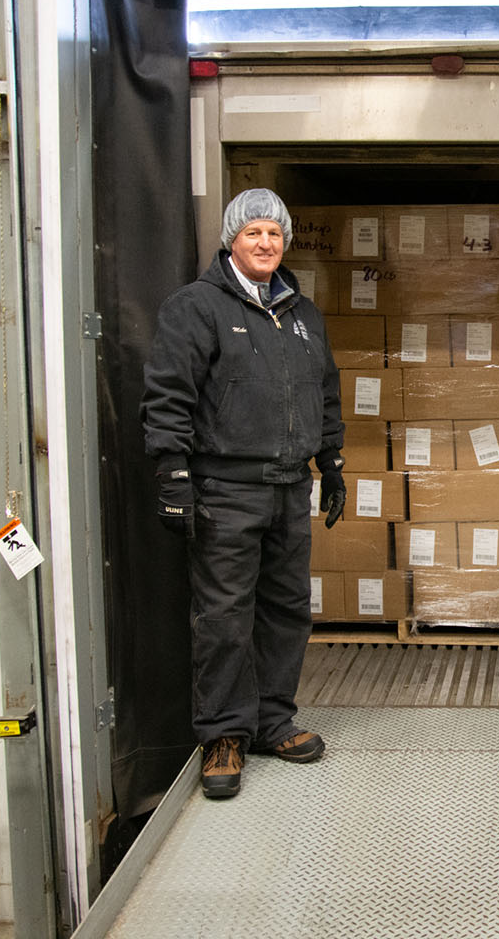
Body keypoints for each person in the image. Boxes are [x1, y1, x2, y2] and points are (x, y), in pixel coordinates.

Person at [141, 188, 347, 799]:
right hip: (225, 490)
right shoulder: (197, 307)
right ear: (233, 238)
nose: (265, 243)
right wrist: (173, 473)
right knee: (224, 617)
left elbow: (324, 390)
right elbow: (168, 394)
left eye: (275, 234)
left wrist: (330, 460)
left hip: (289, 488)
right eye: (254, 232)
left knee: (286, 612)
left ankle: (271, 721)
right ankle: (224, 735)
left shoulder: (302, 312)